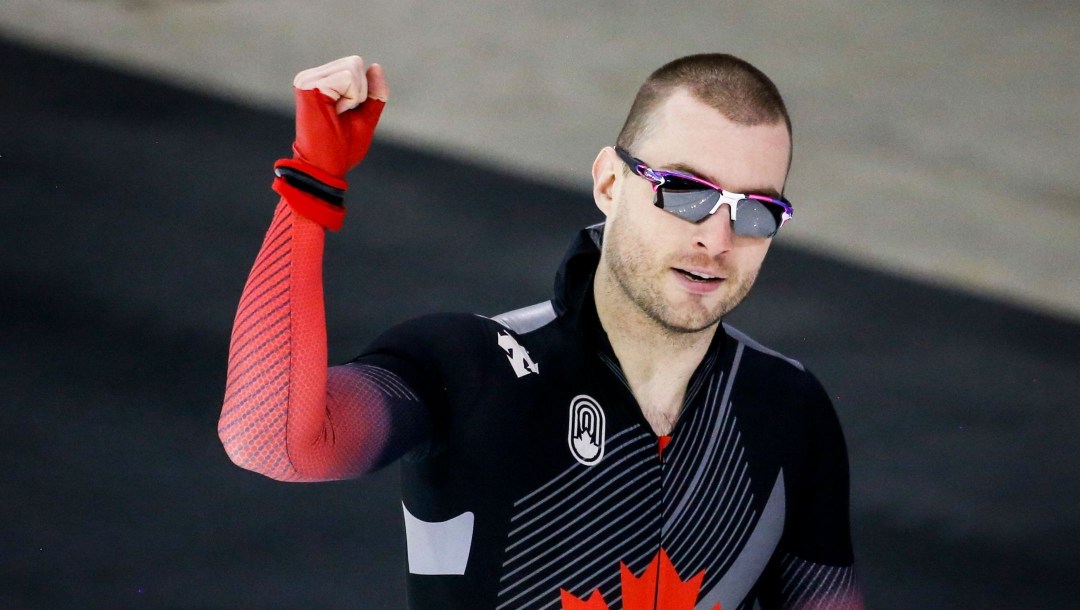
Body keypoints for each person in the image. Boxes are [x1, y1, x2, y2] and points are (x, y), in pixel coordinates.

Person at [219, 53, 864, 610]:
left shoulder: (787, 406)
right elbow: (270, 441)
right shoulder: (472, 366)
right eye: (686, 193)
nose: (716, 239)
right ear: (610, 183)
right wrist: (310, 186)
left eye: (755, 211)